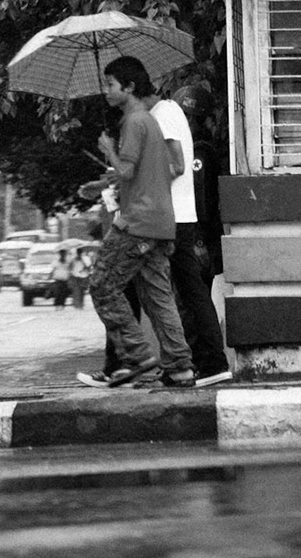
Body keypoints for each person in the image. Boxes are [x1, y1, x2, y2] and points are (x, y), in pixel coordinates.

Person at [75, 56, 195, 388]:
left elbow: (126, 170)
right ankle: (181, 366)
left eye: (111, 84)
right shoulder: (149, 122)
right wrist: (101, 184)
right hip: (160, 222)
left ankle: (138, 356)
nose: (107, 91)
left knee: (102, 285)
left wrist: (108, 148)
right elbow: (139, 174)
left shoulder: (134, 122)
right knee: (158, 297)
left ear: (129, 87)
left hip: (135, 223)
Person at [144, 80, 234, 387]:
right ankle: (200, 361)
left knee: (191, 296)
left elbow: (202, 197)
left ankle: (206, 360)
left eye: (190, 117)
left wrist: (199, 240)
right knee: (190, 294)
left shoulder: (200, 154)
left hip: (195, 234)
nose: (187, 121)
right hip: (194, 232)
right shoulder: (199, 149)